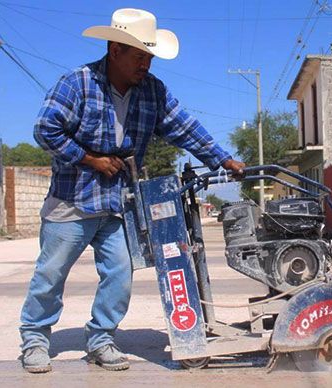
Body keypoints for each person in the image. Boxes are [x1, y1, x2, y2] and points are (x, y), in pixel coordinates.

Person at [19, 8, 245, 373]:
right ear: (114, 50)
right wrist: (90, 159)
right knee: (51, 273)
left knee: (120, 273)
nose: (146, 65)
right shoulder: (77, 83)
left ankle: (101, 339)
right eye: (139, 56)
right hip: (72, 201)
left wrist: (224, 159)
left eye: (150, 57)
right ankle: (34, 339)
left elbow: (185, 128)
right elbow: (46, 129)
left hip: (118, 202)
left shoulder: (152, 92)